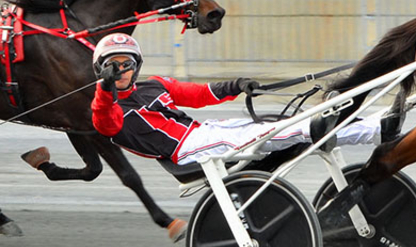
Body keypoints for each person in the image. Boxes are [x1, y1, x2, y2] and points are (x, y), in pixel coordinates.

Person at [86, 33, 385, 167]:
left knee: (278, 122)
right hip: (185, 151)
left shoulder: (155, 85)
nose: (122, 70)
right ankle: (322, 127)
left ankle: (377, 128)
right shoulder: (109, 109)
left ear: (136, 66)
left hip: (203, 133)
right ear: (102, 69)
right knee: (270, 131)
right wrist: (105, 86)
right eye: (114, 65)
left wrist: (238, 84)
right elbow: (105, 121)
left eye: (127, 63)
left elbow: (200, 94)